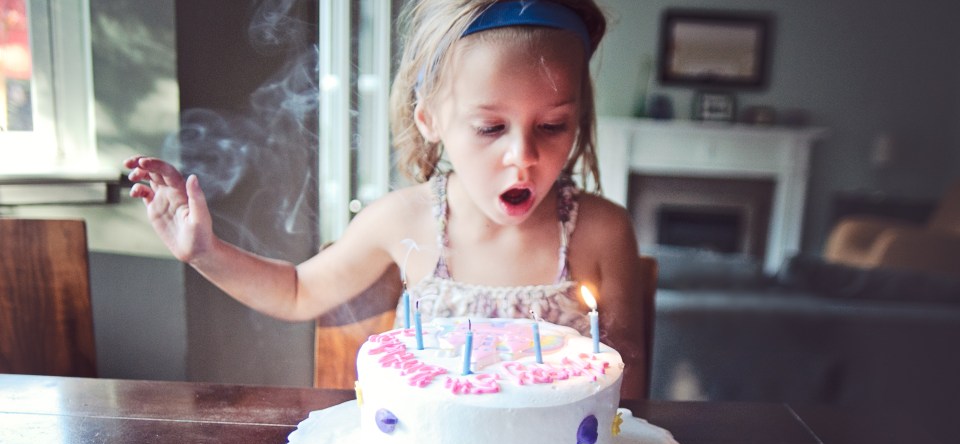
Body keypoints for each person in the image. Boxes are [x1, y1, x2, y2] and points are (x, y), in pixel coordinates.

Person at [126, 0, 646, 398]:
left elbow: (630, 371)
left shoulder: (602, 231)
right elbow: (296, 291)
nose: (523, 156)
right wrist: (205, 252)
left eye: (553, 125)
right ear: (431, 119)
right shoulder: (405, 220)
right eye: (490, 127)